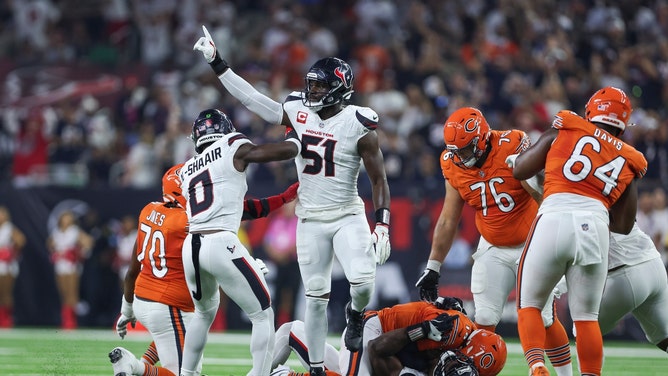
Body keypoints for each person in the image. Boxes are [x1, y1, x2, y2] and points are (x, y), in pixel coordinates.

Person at [194, 25, 392, 376]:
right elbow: (253, 99)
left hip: (347, 213)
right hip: (310, 218)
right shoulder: (298, 110)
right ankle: (316, 368)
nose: (312, 90)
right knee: (316, 298)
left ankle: (356, 316)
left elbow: (378, 178)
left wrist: (384, 224)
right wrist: (218, 63)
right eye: (311, 83)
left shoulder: (359, 123)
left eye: (320, 85)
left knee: (362, 283)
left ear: (340, 89)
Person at [414, 107, 573, 375]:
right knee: (484, 318)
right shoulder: (451, 161)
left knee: (544, 317)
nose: (459, 157)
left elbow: (542, 194)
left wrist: (553, 239)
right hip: (492, 246)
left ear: (482, 139)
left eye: (464, 150)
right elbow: (448, 218)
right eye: (455, 151)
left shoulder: (511, 145)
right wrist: (433, 266)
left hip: (531, 243)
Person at [109, 162, 299, 376]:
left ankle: (141, 364)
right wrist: (249, 267)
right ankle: (134, 365)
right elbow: (230, 233)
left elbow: (133, 269)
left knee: (184, 331)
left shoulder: (149, 210)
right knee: (183, 371)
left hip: (146, 298)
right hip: (168, 304)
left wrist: (127, 310)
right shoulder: (189, 221)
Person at [511, 86, 648, 376]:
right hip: (594, 225)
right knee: (587, 318)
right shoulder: (629, 158)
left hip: (553, 215)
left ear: (591, 109)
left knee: (530, 305)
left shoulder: (564, 128)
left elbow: (520, 170)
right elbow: (623, 226)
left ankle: (537, 365)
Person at [178, 108, 300, 376]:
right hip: (221, 242)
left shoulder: (187, 169)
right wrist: (295, 140)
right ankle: (260, 373)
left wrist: (282, 198)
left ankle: (185, 374)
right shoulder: (231, 144)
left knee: (202, 315)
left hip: (192, 246)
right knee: (262, 312)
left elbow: (238, 208)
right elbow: (279, 153)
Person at [270, 297, 506, 376]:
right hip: (373, 330)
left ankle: (296, 334)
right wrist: (421, 330)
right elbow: (377, 347)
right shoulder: (451, 330)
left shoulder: (458, 337)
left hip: (387, 344)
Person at [553, 222, 668, 354]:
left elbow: (591, 252)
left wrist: (557, 286)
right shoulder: (617, 201)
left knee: (583, 329)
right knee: (664, 337)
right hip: (653, 263)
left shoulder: (584, 207)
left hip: (623, 272)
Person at [47, 209, 94, 329]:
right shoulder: (57, 232)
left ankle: (72, 321)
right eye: (64, 217)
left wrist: (80, 253)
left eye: (68, 218)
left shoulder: (75, 231)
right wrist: (56, 252)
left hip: (71, 265)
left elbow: (89, 242)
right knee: (63, 293)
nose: (66, 220)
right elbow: (49, 244)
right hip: (60, 264)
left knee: (72, 292)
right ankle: (66, 319)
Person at [0, 206, 26, 328]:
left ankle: (6, 319)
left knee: (6, 293)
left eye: (2, 214)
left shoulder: (9, 229)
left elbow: (21, 240)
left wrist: (11, 252)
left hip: (6, 265)